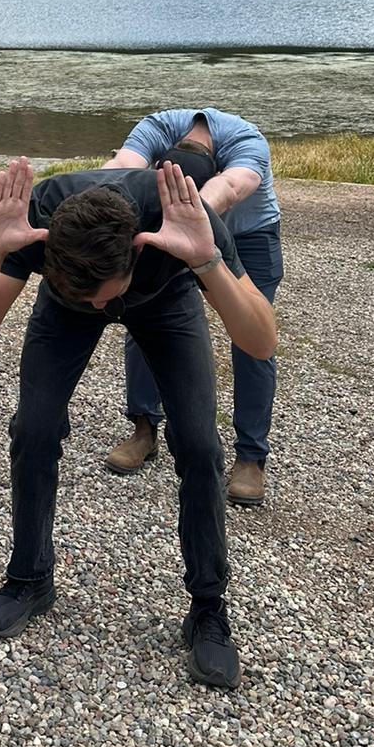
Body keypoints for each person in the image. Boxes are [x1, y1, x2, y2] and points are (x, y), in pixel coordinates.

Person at [0, 156, 277, 690]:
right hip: (64, 305)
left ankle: (208, 608)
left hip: (167, 295)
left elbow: (262, 342)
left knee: (199, 444)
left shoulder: (183, 216)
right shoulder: (37, 223)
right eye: (96, 299)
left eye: (109, 294)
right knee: (33, 428)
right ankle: (30, 577)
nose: (107, 308)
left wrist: (207, 261)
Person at [101, 108, 283, 507]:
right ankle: (144, 429)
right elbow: (123, 165)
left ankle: (251, 456)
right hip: (172, 225)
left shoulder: (247, 143)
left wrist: (188, 214)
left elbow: (231, 188)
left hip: (249, 234)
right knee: (144, 315)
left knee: (251, 339)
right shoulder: (157, 127)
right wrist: (98, 196)